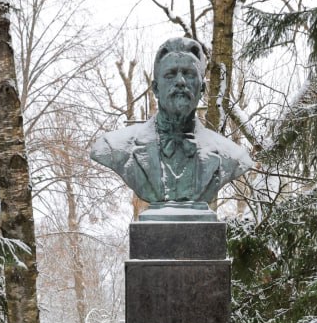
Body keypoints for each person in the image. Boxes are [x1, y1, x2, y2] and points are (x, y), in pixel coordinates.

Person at [90, 37, 253, 206]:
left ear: (202, 89)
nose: (180, 82)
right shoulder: (113, 146)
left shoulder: (233, 155)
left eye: (189, 74)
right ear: (155, 88)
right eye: (170, 75)